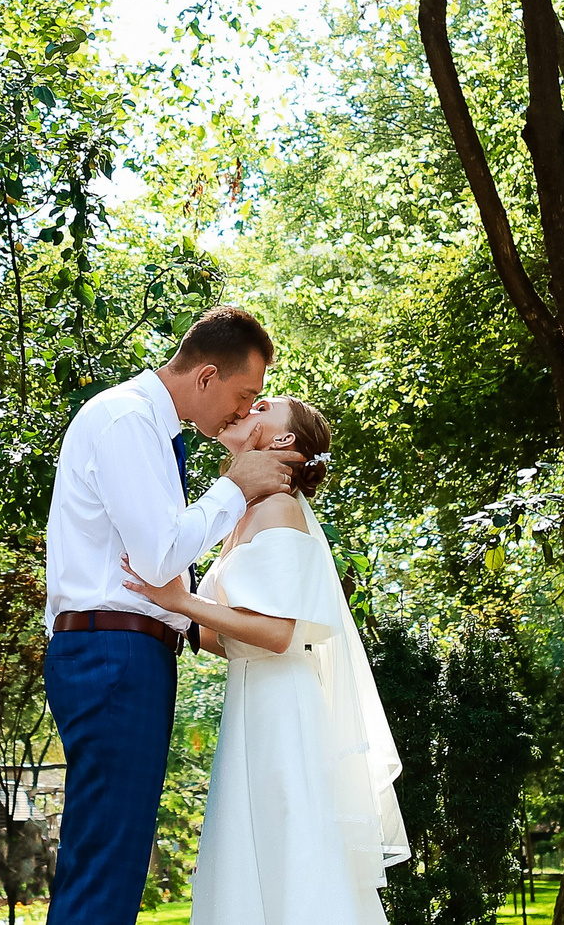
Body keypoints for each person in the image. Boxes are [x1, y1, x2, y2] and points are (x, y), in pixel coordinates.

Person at [44, 305, 305, 925]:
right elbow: (159, 555)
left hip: (127, 654)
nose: (245, 412)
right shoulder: (126, 421)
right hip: (114, 655)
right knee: (109, 858)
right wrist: (235, 486)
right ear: (207, 376)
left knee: (112, 853)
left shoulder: (153, 432)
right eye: (245, 396)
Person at [123, 394, 408, 925]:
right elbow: (223, 637)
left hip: (282, 706)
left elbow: (278, 634)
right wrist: (180, 610)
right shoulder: (250, 512)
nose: (246, 407)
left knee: (287, 845)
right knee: (259, 849)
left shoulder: (278, 509)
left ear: (281, 441)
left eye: (263, 406)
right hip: (255, 697)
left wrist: (181, 601)